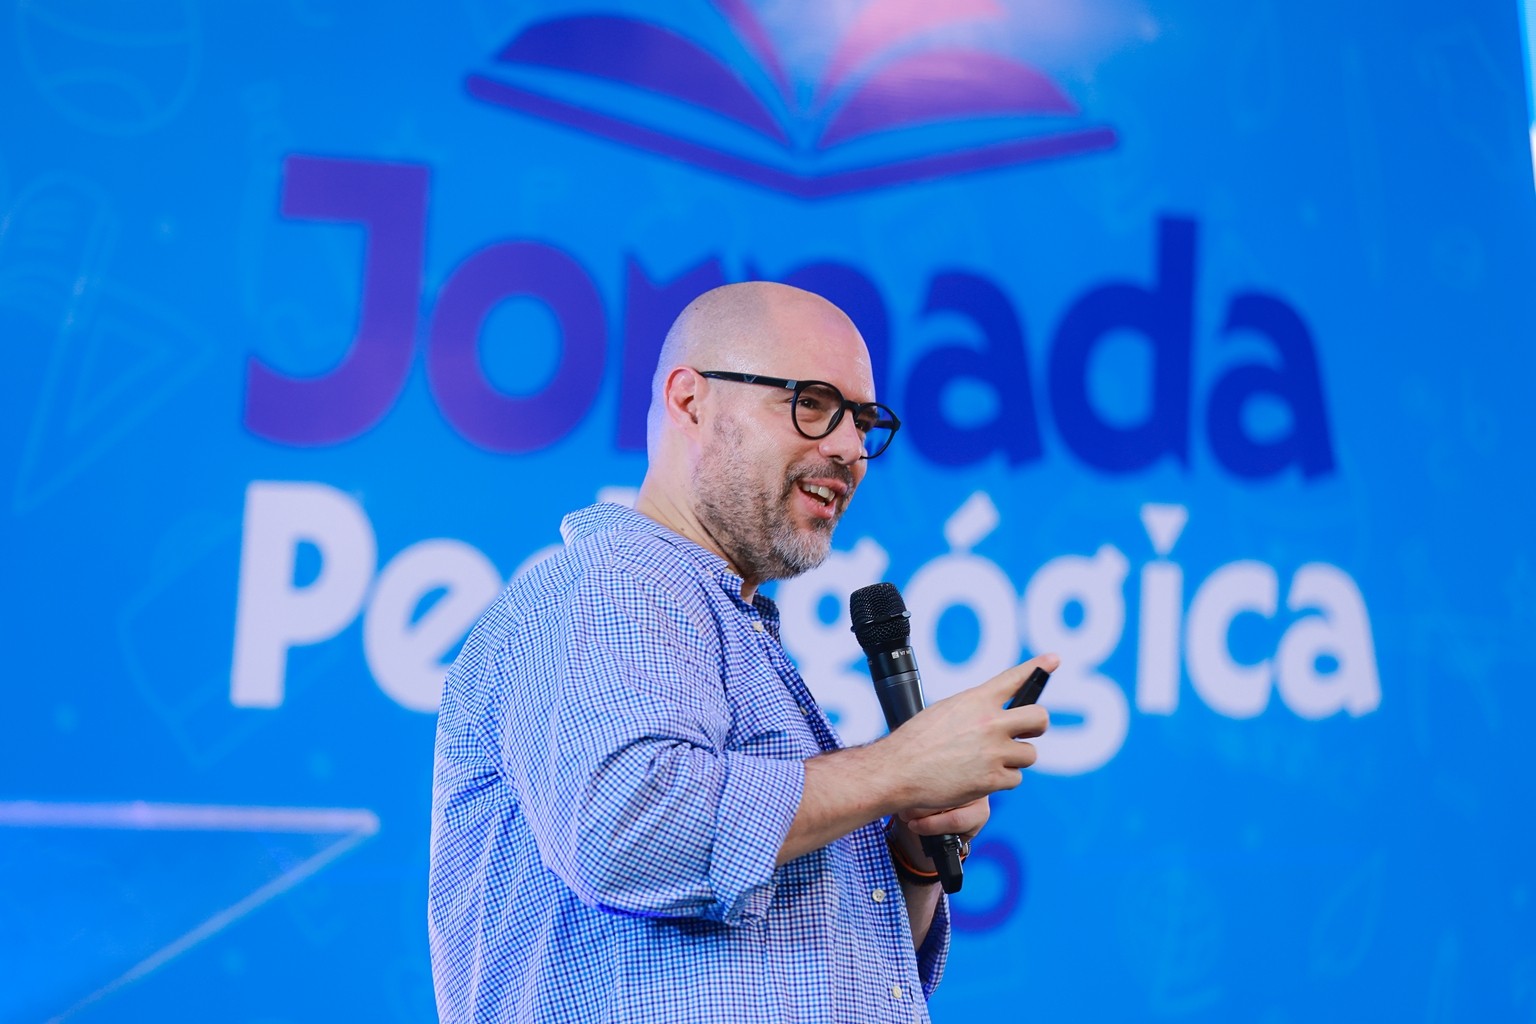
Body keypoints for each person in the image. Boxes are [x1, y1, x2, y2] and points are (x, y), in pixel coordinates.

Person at [428, 281, 1054, 1023]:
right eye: (812, 403)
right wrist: (900, 766)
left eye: (862, 422)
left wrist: (912, 859)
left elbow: (830, 974)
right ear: (690, 401)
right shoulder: (607, 586)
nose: (850, 449)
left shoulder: (731, 631)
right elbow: (623, 828)